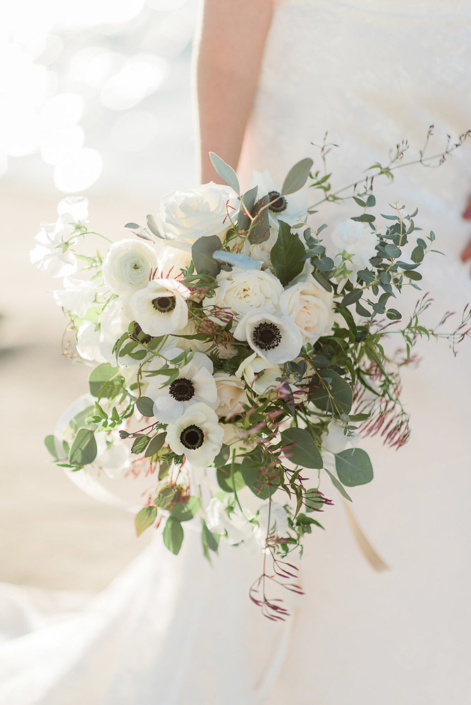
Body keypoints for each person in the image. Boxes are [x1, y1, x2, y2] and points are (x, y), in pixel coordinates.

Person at [1, 1, 470, 703]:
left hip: (438, 262)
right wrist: (213, 236)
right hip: (287, 247)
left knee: (437, 475)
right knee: (277, 485)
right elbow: (225, 54)